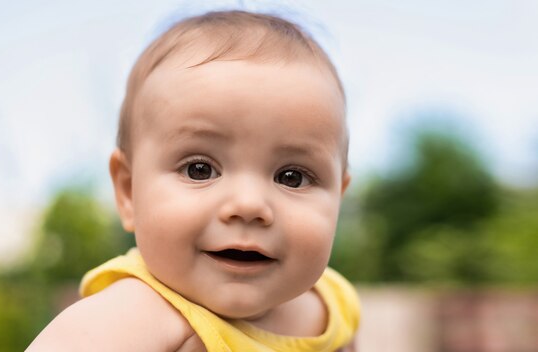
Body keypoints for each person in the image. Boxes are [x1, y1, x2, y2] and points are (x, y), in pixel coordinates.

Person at [27, 10, 359, 352]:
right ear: (128, 192)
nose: (248, 205)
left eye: (292, 177)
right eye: (199, 170)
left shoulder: (331, 303)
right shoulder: (132, 319)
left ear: (338, 198)